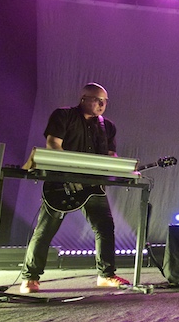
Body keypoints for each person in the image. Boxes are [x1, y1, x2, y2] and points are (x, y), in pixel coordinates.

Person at [19, 83, 131, 293]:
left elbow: (109, 155)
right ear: (83, 98)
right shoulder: (63, 116)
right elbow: (53, 144)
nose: (101, 104)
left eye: (104, 101)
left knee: (105, 228)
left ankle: (106, 275)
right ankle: (30, 277)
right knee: (45, 229)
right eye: (97, 100)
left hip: (93, 186)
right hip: (63, 183)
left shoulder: (108, 126)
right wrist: (69, 173)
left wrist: (122, 168)